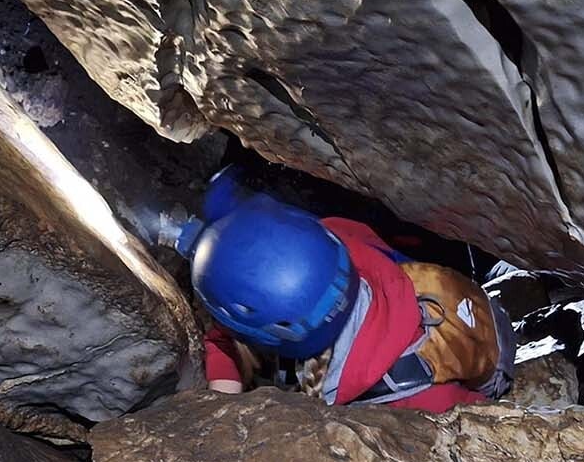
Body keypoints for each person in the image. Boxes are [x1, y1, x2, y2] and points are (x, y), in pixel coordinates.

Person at [173, 167, 515, 414]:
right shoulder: (335, 238)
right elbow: (233, 328)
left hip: (475, 356)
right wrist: (222, 405)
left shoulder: (406, 400)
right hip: (435, 297)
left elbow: (480, 420)